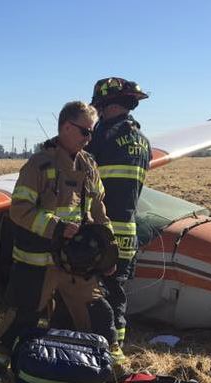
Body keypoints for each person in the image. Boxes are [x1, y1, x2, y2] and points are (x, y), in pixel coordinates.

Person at [0, 101, 116, 377]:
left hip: (77, 263)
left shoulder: (89, 165)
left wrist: (109, 252)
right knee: (23, 317)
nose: (89, 139)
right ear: (66, 127)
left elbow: (99, 209)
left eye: (92, 132)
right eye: (85, 132)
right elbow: (19, 210)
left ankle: (110, 370)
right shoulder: (38, 165)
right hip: (39, 263)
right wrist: (56, 227)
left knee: (99, 314)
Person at [86, 77, 151, 366]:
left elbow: (82, 172)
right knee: (117, 292)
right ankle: (117, 349)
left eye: (100, 108)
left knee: (95, 293)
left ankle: (100, 352)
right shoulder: (142, 141)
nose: (98, 114)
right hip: (128, 231)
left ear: (111, 106)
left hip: (103, 230)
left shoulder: (104, 137)